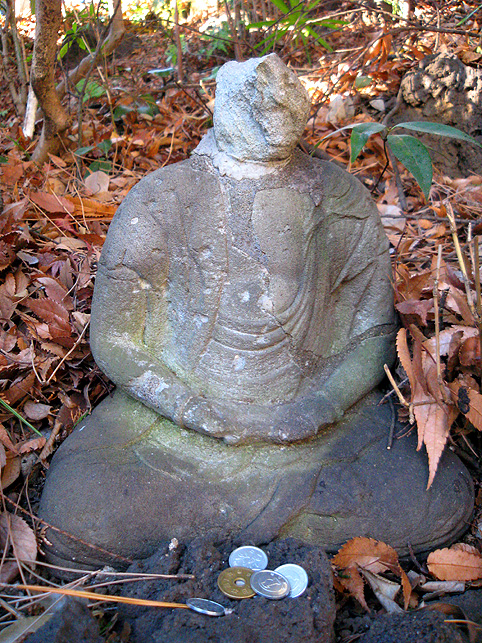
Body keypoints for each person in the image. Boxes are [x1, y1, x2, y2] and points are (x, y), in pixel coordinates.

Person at [39, 54, 473, 570]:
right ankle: (255, 525)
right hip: (174, 430)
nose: (272, 120)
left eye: (284, 108)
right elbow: (115, 339)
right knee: (78, 514)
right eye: (258, 107)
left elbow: (373, 333)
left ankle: (235, 529)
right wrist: (188, 408)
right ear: (223, 107)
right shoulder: (162, 198)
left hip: (322, 426)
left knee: (438, 496)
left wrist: (321, 406)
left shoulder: (339, 197)